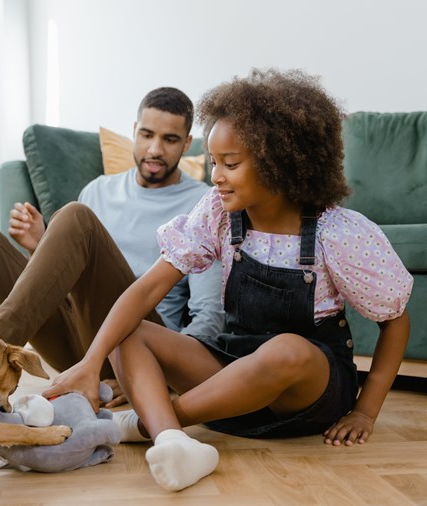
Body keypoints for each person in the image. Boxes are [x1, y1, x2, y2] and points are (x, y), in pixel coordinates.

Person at [42, 68, 413, 492]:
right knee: (130, 333)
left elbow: (395, 320)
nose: (215, 175)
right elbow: (148, 288)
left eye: (230, 164)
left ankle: (151, 422)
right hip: (231, 374)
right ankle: (172, 443)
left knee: (287, 350)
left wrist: (366, 410)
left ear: (278, 163)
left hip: (308, 394)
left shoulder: (338, 232)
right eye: (214, 161)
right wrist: (92, 363)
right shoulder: (219, 213)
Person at [0, 87, 225, 430]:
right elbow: (70, 286)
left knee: (75, 217)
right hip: (75, 344)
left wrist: (152, 370)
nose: (155, 149)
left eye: (170, 139)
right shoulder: (99, 189)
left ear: (187, 143)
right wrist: (40, 247)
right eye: (147, 135)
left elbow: (208, 318)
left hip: (137, 341)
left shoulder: (203, 203)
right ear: (134, 131)